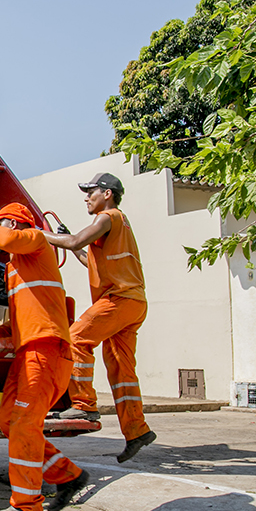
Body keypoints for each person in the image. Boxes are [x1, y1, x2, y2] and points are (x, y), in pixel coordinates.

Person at [0, 203, 89, 511]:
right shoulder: (15, 268)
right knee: (9, 420)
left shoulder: (36, 241)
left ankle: (26, 507)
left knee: (24, 423)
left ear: (12, 224)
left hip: (46, 351)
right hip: (28, 352)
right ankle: (67, 475)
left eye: (0, 225)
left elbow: (7, 239)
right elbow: (26, 314)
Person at [42, 173, 156, 463]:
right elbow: (83, 254)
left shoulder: (108, 217)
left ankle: (83, 404)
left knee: (76, 338)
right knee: (121, 369)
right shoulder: (119, 224)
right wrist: (75, 244)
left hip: (118, 300)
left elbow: (73, 241)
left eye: (90, 192)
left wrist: (38, 235)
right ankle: (137, 430)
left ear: (107, 193)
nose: (86, 197)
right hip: (134, 303)